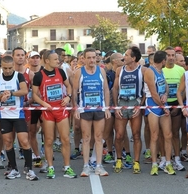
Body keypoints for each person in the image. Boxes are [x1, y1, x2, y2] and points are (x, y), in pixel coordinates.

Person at [32, 50, 77, 179]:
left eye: (58, 59)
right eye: (56, 59)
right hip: (48, 111)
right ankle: (50, 167)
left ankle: (67, 167)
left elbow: (68, 86)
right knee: (49, 140)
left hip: (61, 109)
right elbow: (34, 94)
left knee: (66, 139)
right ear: (47, 61)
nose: (59, 61)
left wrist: (68, 97)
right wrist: (43, 104)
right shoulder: (38, 75)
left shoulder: (61, 72)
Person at [0, 56, 38, 180]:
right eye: (5, 68)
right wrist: (1, 96)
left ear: (13, 66)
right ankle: (13, 168)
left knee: (24, 141)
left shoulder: (19, 76)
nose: (7, 71)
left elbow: (24, 91)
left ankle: (29, 169)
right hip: (4, 115)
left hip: (18, 114)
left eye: (9, 68)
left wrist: (11, 93)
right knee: (7, 142)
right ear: (1, 66)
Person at [73, 48, 111, 177]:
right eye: (88, 58)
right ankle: (86, 166)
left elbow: (106, 89)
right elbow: (74, 91)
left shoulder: (101, 71)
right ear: (83, 59)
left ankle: (99, 165)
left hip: (99, 108)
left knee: (99, 137)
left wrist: (107, 108)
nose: (91, 60)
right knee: (86, 137)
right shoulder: (79, 72)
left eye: (93, 57)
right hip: (85, 109)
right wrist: (76, 107)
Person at [112, 46, 145, 174]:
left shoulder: (143, 70)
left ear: (133, 58)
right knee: (119, 134)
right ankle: (119, 159)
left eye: (126, 55)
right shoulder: (119, 70)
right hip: (122, 103)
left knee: (136, 135)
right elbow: (115, 89)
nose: (123, 57)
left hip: (135, 103)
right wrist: (116, 106)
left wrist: (140, 105)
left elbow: (146, 91)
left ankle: (136, 162)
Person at [144, 51, 174, 175]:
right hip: (153, 104)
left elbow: (165, 86)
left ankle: (167, 163)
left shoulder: (161, 71)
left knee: (168, 135)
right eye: (166, 59)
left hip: (162, 103)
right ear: (162, 61)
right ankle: (154, 164)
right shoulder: (150, 71)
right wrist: (163, 106)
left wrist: (166, 94)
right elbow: (153, 92)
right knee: (155, 135)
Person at [163, 47, 186, 171]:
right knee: (165, 134)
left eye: (173, 55)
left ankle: (177, 158)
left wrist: (178, 106)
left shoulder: (181, 70)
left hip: (176, 103)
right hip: (163, 104)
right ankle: (164, 158)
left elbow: (184, 89)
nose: (171, 57)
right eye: (168, 55)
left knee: (175, 133)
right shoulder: (160, 70)